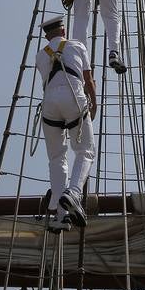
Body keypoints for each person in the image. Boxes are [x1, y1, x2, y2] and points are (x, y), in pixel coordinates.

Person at [36, 15, 97, 232]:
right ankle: (73, 193)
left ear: (47, 35)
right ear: (63, 31)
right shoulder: (76, 45)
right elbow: (88, 79)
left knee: (56, 158)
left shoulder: (40, 56)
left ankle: (62, 216)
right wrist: (94, 103)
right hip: (73, 97)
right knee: (85, 150)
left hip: (49, 103)